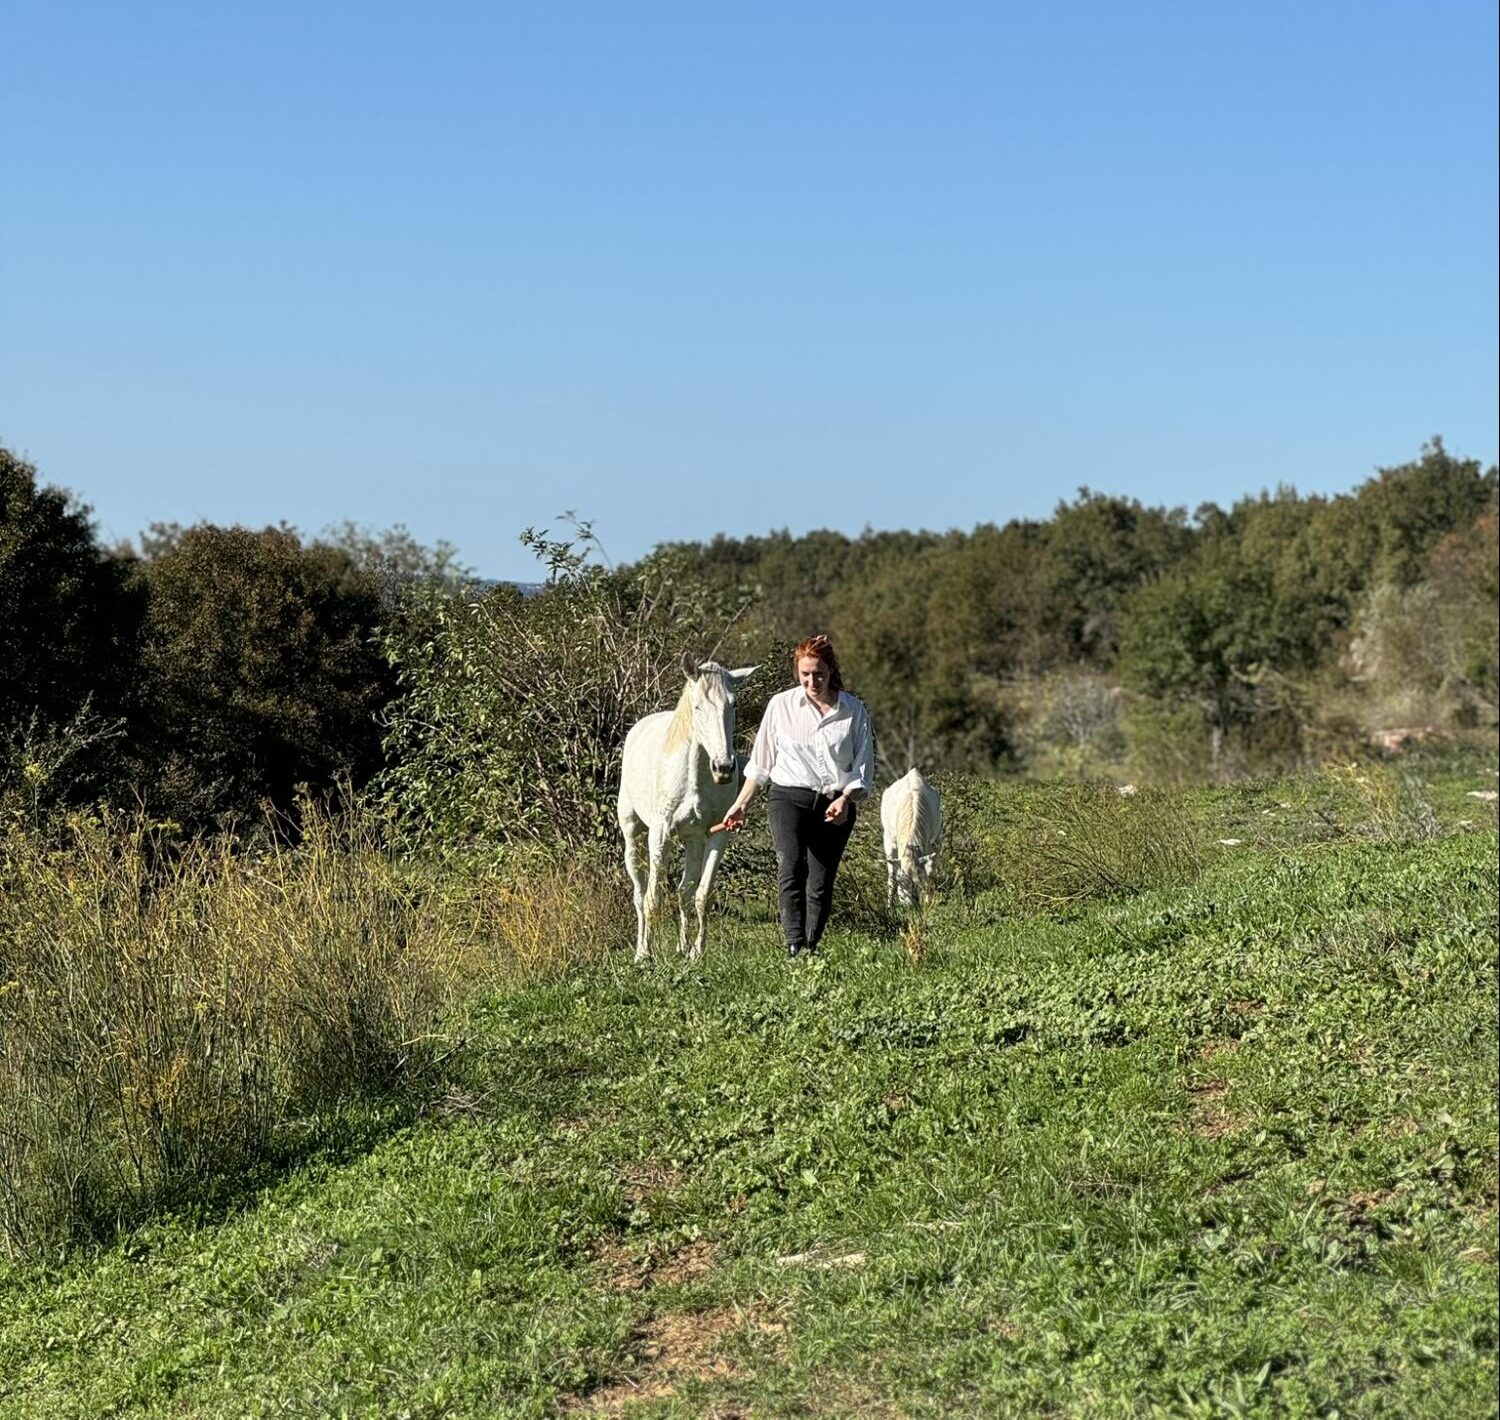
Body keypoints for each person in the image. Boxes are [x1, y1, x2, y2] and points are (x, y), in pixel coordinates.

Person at [718, 634, 875, 958]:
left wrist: (846, 799)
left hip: (835, 804)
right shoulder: (781, 706)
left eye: (818, 673)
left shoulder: (853, 710)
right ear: (797, 673)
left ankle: (810, 947)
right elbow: (761, 762)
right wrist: (741, 804)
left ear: (830, 671)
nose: (811, 681)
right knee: (790, 864)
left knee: (820, 881)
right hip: (789, 797)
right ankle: (793, 945)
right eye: (805, 674)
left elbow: (863, 766)